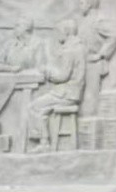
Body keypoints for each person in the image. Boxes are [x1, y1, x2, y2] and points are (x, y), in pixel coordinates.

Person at [28, 19, 86, 151]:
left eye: (59, 32)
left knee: (34, 106)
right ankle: (45, 139)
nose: (57, 35)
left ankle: (44, 142)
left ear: (66, 32)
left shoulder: (69, 50)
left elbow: (62, 76)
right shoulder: (79, 47)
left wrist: (47, 72)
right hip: (73, 92)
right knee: (41, 106)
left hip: (66, 94)